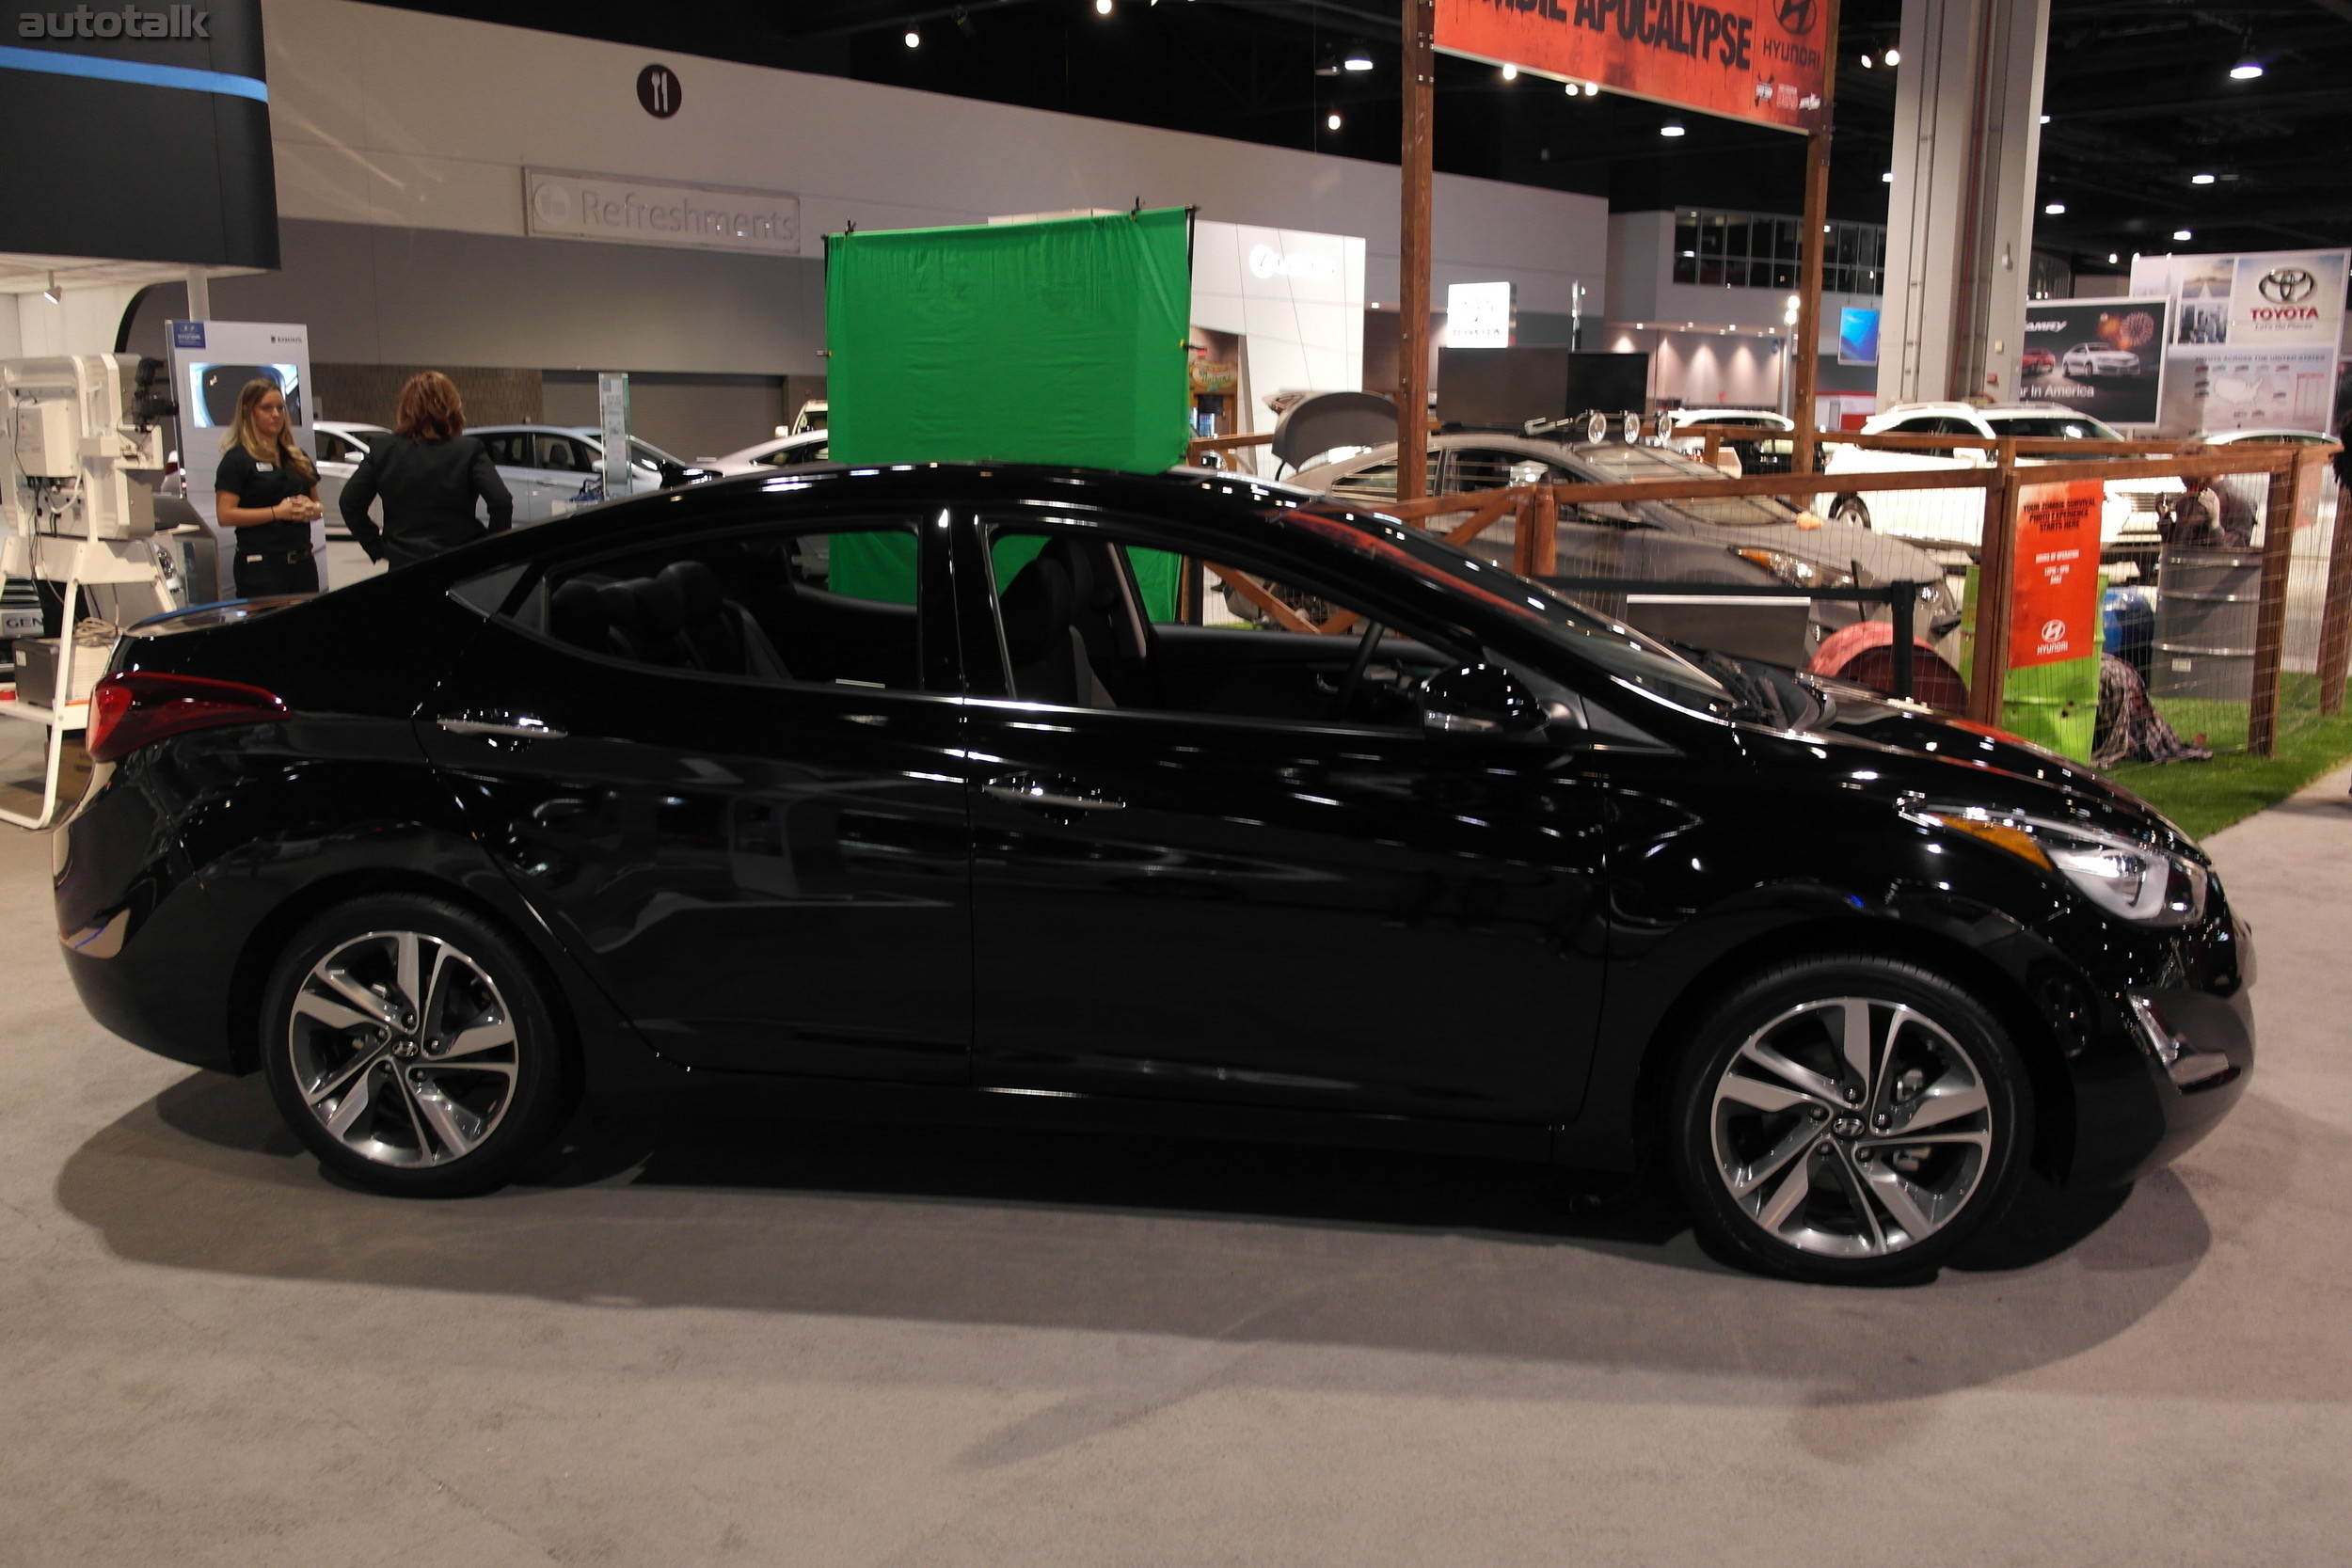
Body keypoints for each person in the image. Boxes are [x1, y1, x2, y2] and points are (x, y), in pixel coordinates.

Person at [340, 371, 513, 569]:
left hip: (403, 565)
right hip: (459, 561)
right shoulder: (468, 449)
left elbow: (349, 503)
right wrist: (490, 550)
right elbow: (501, 501)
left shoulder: (383, 449)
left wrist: (376, 546)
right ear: (453, 408)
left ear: (405, 409)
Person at [213, 378, 324, 597]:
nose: (276, 414)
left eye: (280, 408)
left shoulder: (297, 456)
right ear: (248, 411)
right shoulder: (236, 460)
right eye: (266, 408)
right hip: (261, 566)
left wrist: (312, 509)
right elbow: (225, 515)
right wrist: (277, 512)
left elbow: (318, 504)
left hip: (303, 562)